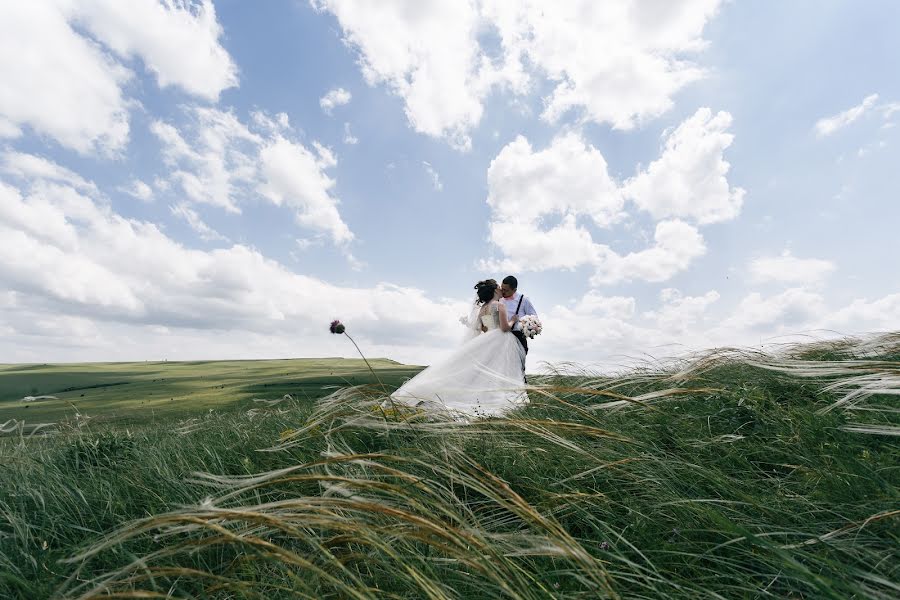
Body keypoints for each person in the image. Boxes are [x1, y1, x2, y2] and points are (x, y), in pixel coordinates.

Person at [390, 279, 527, 416]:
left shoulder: (482, 309)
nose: (501, 289)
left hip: (487, 340)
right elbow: (504, 328)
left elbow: (483, 329)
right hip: (500, 341)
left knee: (484, 372)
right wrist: (513, 320)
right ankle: (494, 400)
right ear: (494, 291)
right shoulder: (499, 305)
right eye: (498, 287)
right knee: (499, 372)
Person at [499, 275, 538, 374]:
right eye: (502, 288)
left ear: (514, 289)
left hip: (518, 337)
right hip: (501, 337)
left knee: (518, 369)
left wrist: (525, 325)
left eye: (506, 290)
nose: (502, 292)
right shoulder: (499, 299)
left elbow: (534, 317)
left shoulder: (524, 300)